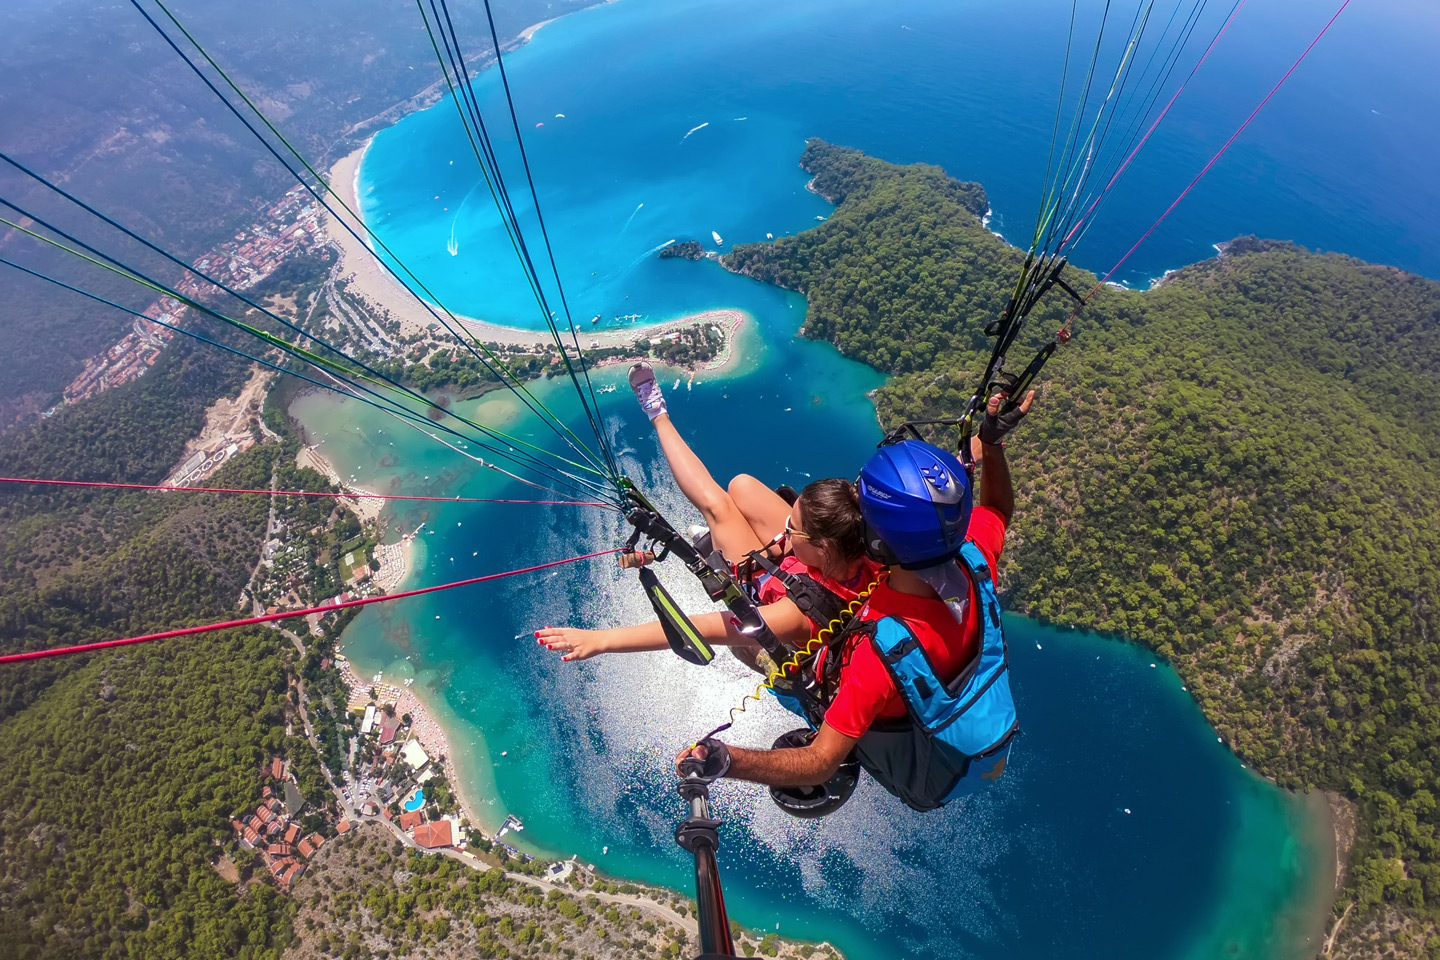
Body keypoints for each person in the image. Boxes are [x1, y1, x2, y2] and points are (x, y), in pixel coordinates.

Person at [676, 389, 1035, 812]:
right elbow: (996, 510)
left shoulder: (880, 654)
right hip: (952, 711)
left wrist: (728, 760)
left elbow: (819, 762)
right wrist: (990, 444)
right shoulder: (973, 558)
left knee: (749, 646)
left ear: (875, 544)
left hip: (844, 684)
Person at [536, 362, 882, 663]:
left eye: (793, 526)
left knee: (716, 506)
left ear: (821, 545)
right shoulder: (867, 545)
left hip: (779, 591)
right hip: (811, 568)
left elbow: (701, 627)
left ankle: (658, 414)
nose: (785, 527)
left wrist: (602, 640)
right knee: (742, 485)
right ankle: (659, 416)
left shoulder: (797, 617)